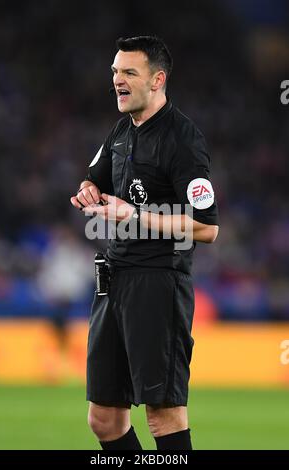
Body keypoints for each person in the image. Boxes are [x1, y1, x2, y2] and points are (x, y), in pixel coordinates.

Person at [70, 35, 219, 451]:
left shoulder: (183, 140)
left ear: (157, 80)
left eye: (128, 72)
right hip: (113, 281)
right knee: (103, 419)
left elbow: (208, 228)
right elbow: (93, 180)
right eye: (115, 71)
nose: (117, 79)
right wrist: (86, 190)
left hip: (158, 284)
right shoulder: (121, 131)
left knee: (162, 415)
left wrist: (133, 216)